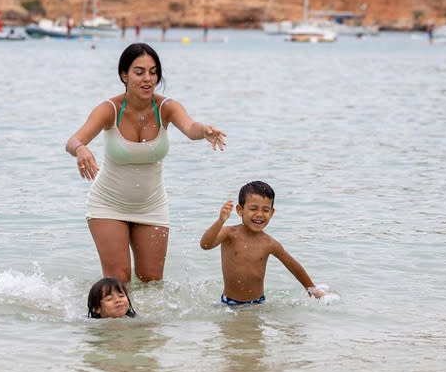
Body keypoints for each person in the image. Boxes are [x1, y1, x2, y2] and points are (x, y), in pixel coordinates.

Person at [66, 42, 226, 283]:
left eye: (153, 72)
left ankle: (146, 323)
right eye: (139, 72)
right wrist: (81, 149)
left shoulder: (166, 108)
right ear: (124, 75)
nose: (147, 79)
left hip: (152, 206)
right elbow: (74, 139)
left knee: (152, 282)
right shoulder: (110, 109)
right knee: (118, 279)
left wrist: (204, 130)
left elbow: (190, 127)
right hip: (108, 204)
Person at [200, 180, 324, 305]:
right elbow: (205, 245)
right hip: (228, 303)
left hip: (258, 304)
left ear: (271, 213)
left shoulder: (269, 243)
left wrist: (312, 289)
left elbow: (292, 265)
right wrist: (220, 221)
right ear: (240, 210)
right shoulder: (229, 234)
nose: (259, 214)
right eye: (253, 208)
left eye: (265, 210)